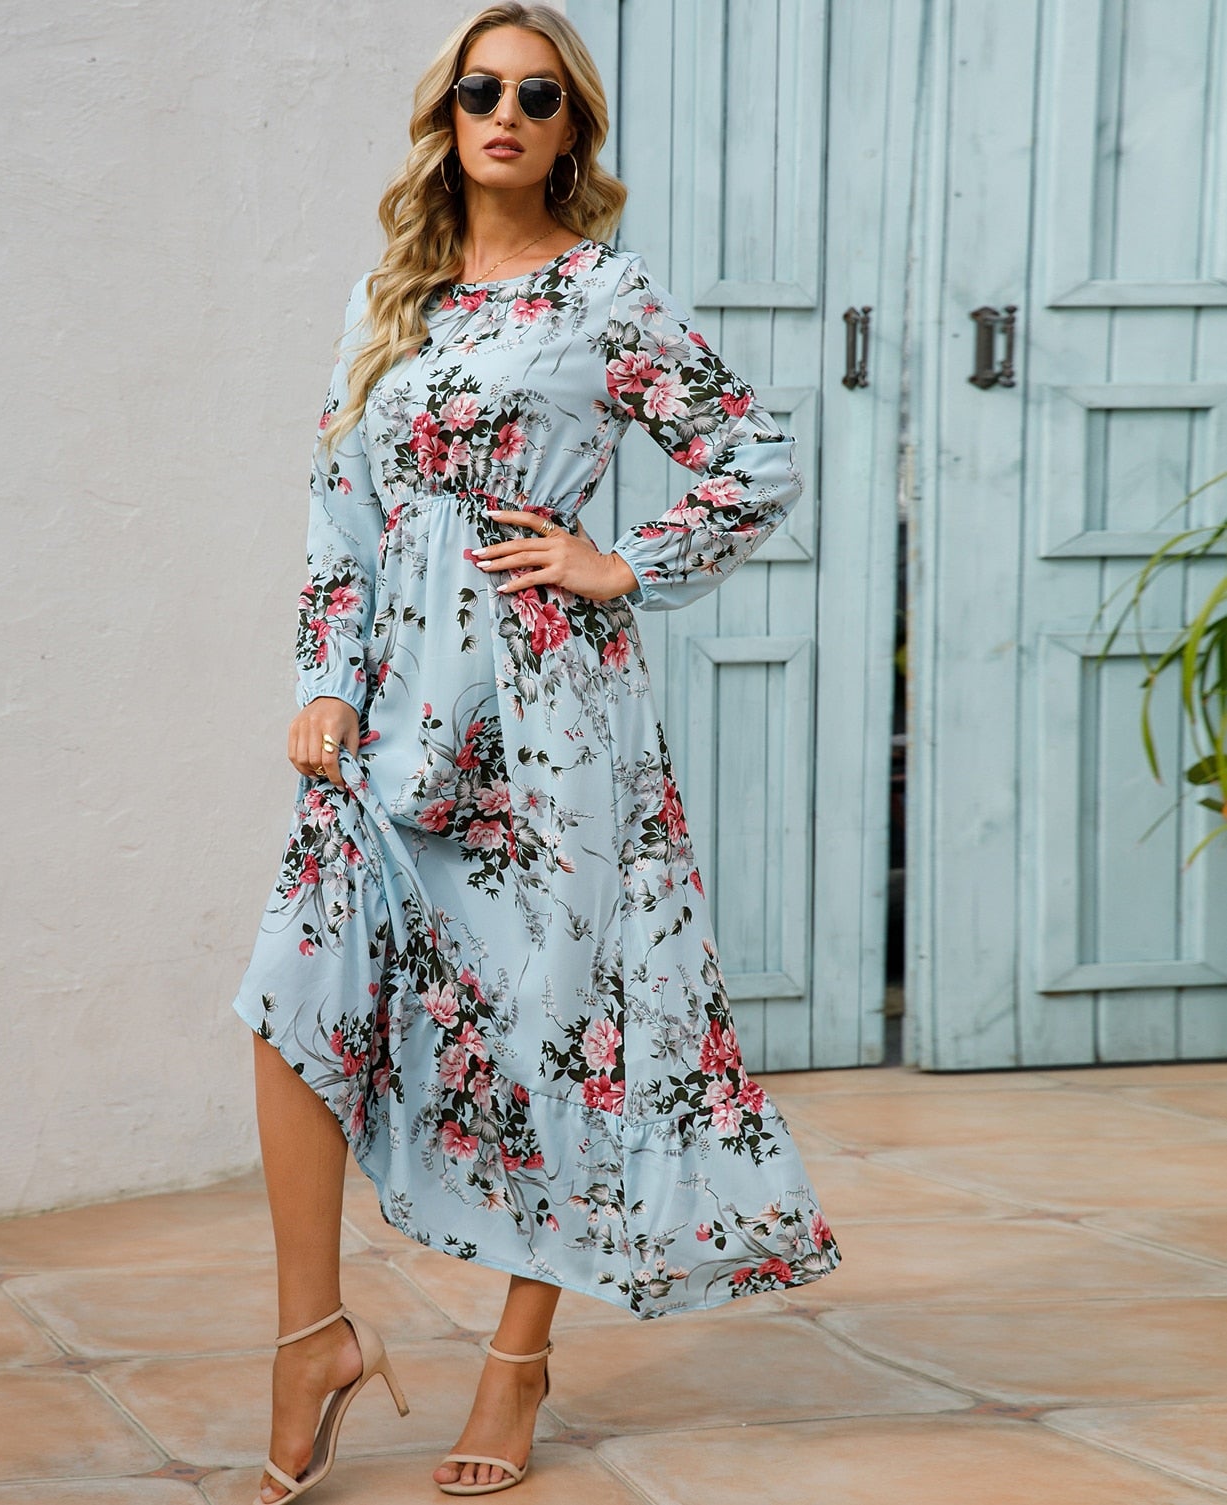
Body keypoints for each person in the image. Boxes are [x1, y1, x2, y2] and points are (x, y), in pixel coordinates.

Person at [231, 4, 842, 1498]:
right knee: (293, 988)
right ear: (444, 114)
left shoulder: (605, 298)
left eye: (538, 94)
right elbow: (338, 512)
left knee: (551, 1026)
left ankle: (519, 1354)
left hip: (547, 714)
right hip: (387, 711)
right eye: (478, 88)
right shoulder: (395, 295)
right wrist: (323, 679)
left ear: (574, 129)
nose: (503, 110)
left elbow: (752, 456)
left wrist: (618, 561)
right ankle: (308, 1333)